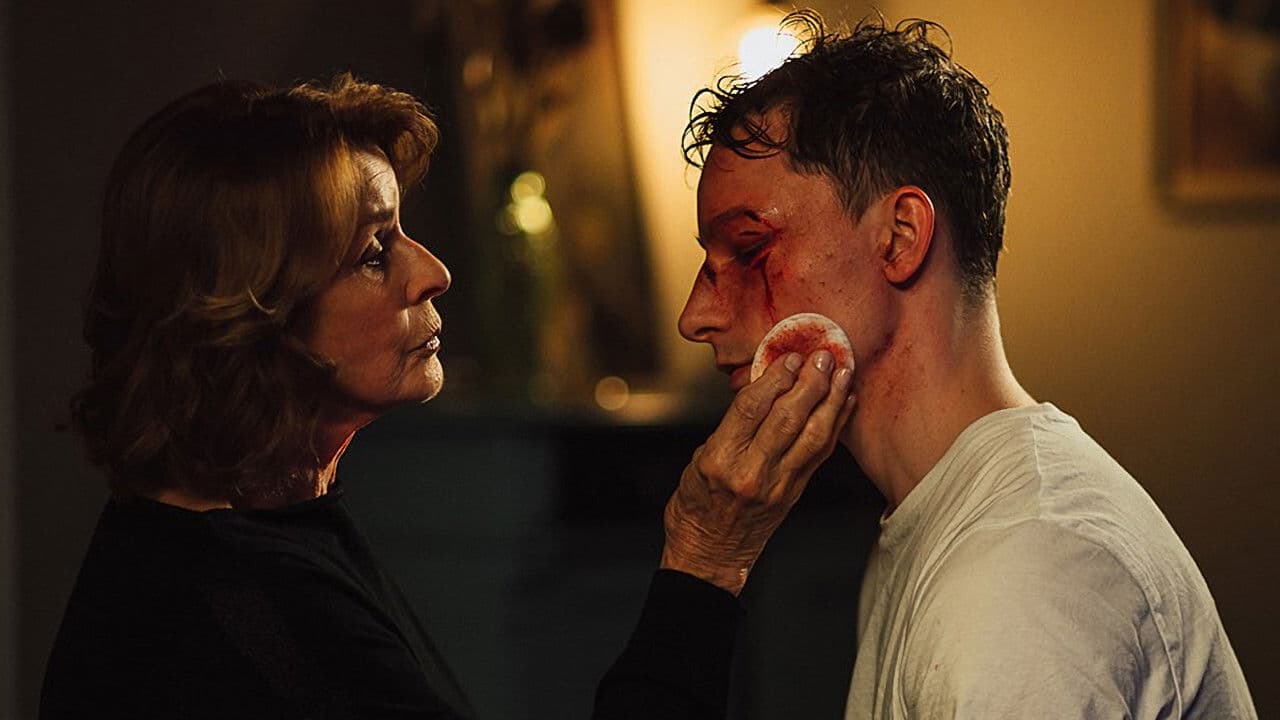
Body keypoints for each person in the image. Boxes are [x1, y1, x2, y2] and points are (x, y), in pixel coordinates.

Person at [40, 75, 856, 719]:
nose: (433, 272)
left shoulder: (262, 530)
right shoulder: (238, 610)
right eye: (374, 251)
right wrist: (706, 557)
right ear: (253, 313)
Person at [678, 11, 1258, 719]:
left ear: (900, 237)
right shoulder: (935, 522)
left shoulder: (1025, 572)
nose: (695, 317)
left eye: (748, 249)